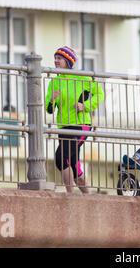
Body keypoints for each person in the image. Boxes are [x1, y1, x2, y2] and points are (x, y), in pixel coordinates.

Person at [45, 46, 105, 194]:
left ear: (68, 61)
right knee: (73, 162)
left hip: (81, 125)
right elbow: (49, 108)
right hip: (63, 126)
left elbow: (100, 94)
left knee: (61, 158)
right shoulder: (55, 82)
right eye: (55, 58)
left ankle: (70, 195)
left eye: (59, 58)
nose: (56, 61)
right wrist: (52, 100)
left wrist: (85, 106)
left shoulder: (81, 77)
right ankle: (87, 195)